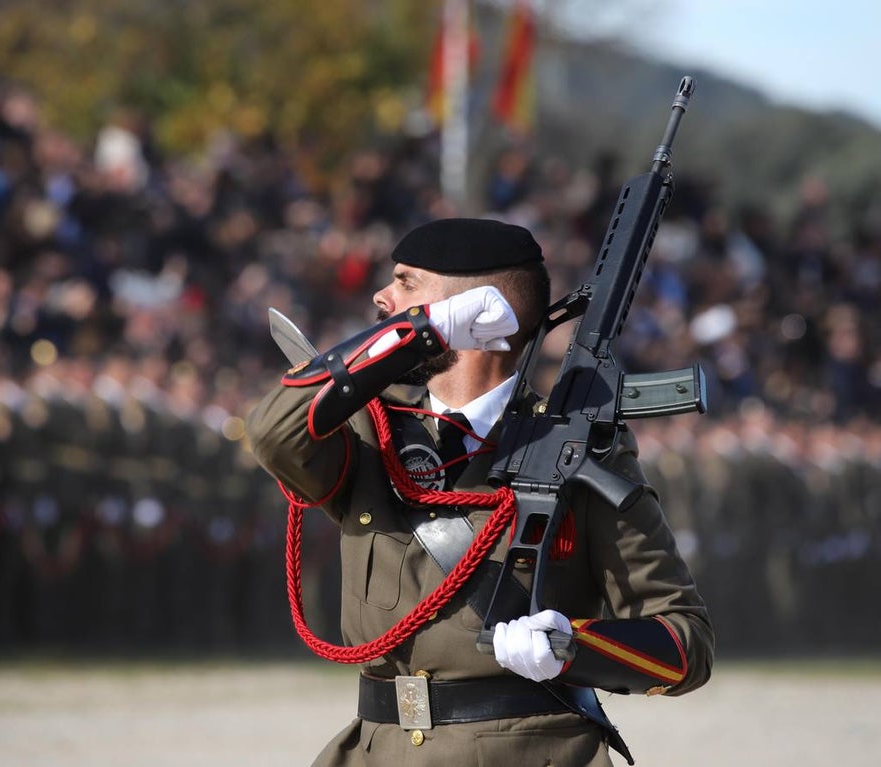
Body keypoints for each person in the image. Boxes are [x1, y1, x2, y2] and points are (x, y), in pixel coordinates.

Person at [246, 218, 713, 766]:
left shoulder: (578, 446)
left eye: (407, 282)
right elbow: (272, 434)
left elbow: (686, 642)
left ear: (481, 308)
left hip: (526, 752)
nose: (383, 296)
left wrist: (572, 645)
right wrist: (422, 330)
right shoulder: (370, 429)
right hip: (375, 751)